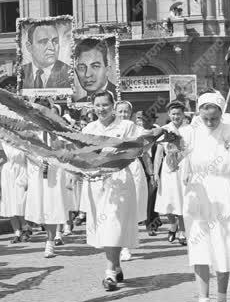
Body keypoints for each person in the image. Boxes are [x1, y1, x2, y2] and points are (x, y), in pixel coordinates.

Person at [176, 91, 230, 302]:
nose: (210, 122)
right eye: (206, 117)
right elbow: (174, 166)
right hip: (198, 195)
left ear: (221, 113)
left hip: (225, 194)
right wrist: (173, 154)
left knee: (224, 248)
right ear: (199, 113)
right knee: (200, 249)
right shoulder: (189, 134)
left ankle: (222, 301)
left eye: (214, 118)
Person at [79, 90, 139, 291]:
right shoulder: (89, 128)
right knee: (104, 227)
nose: (101, 109)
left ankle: (110, 272)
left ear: (113, 105)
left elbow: (136, 150)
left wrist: (115, 157)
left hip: (119, 181)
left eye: (105, 105)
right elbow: (84, 156)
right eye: (97, 105)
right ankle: (117, 265)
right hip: (96, 182)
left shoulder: (126, 126)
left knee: (114, 223)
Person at [24, 98, 74, 257]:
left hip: (55, 173)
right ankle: (47, 234)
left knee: (53, 206)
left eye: (43, 111)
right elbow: (26, 150)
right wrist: (38, 162)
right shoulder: (30, 129)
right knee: (41, 206)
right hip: (37, 172)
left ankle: (50, 242)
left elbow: (69, 148)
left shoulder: (57, 129)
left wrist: (62, 158)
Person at [114, 100, 155, 261]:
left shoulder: (137, 130)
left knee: (131, 208)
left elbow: (145, 153)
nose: (123, 114)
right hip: (114, 169)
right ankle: (118, 243)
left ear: (130, 114)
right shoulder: (110, 129)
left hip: (133, 169)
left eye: (126, 111)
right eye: (120, 111)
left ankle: (126, 246)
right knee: (117, 208)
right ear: (115, 112)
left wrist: (151, 174)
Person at [154, 101, 187, 246]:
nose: (176, 116)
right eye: (173, 114)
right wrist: (155, 173)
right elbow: (159, 154)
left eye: (178, 114)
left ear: (183, 114)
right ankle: (172, 224)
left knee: (182, 200)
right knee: (168, 201)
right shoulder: (164, 130)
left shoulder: (190, 129)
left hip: (184, 168)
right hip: (168, 170)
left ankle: (183, 231)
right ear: (169, 115)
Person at [21, 22, 71, 90]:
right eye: (43, 42)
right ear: (29, 47)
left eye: (55, 41)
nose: (52, 47)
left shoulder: (69, 72)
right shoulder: (21, 73)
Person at [0, 141, 30, 242]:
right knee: (9, 204)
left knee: (20, 202)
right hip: (7, 174)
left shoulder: (22, 141)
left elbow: (29, 160)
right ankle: (17, 231)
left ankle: (26, 228)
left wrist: (28, 178)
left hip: (21, 173)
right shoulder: (1, 143)